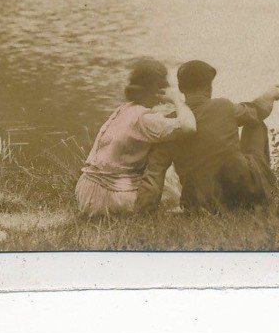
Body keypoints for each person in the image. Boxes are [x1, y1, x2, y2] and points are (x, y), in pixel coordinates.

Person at [135, 60, 279, 213]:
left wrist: (144, 211)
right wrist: (271, 94)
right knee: (255, 123)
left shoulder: (171, 123)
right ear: (209, 86)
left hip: (199, 202)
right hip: (243, 192)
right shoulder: (223, 106)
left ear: (180, 88)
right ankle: (266, 193)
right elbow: (259, 110)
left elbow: (155, 173)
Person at [75, 59, 197, 217]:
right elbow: (189, 127)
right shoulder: (144, 119)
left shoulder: (124, 109)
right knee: (171, 191)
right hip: (110, 197)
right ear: (158, 89)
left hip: (85, 192)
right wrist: (177, 100)